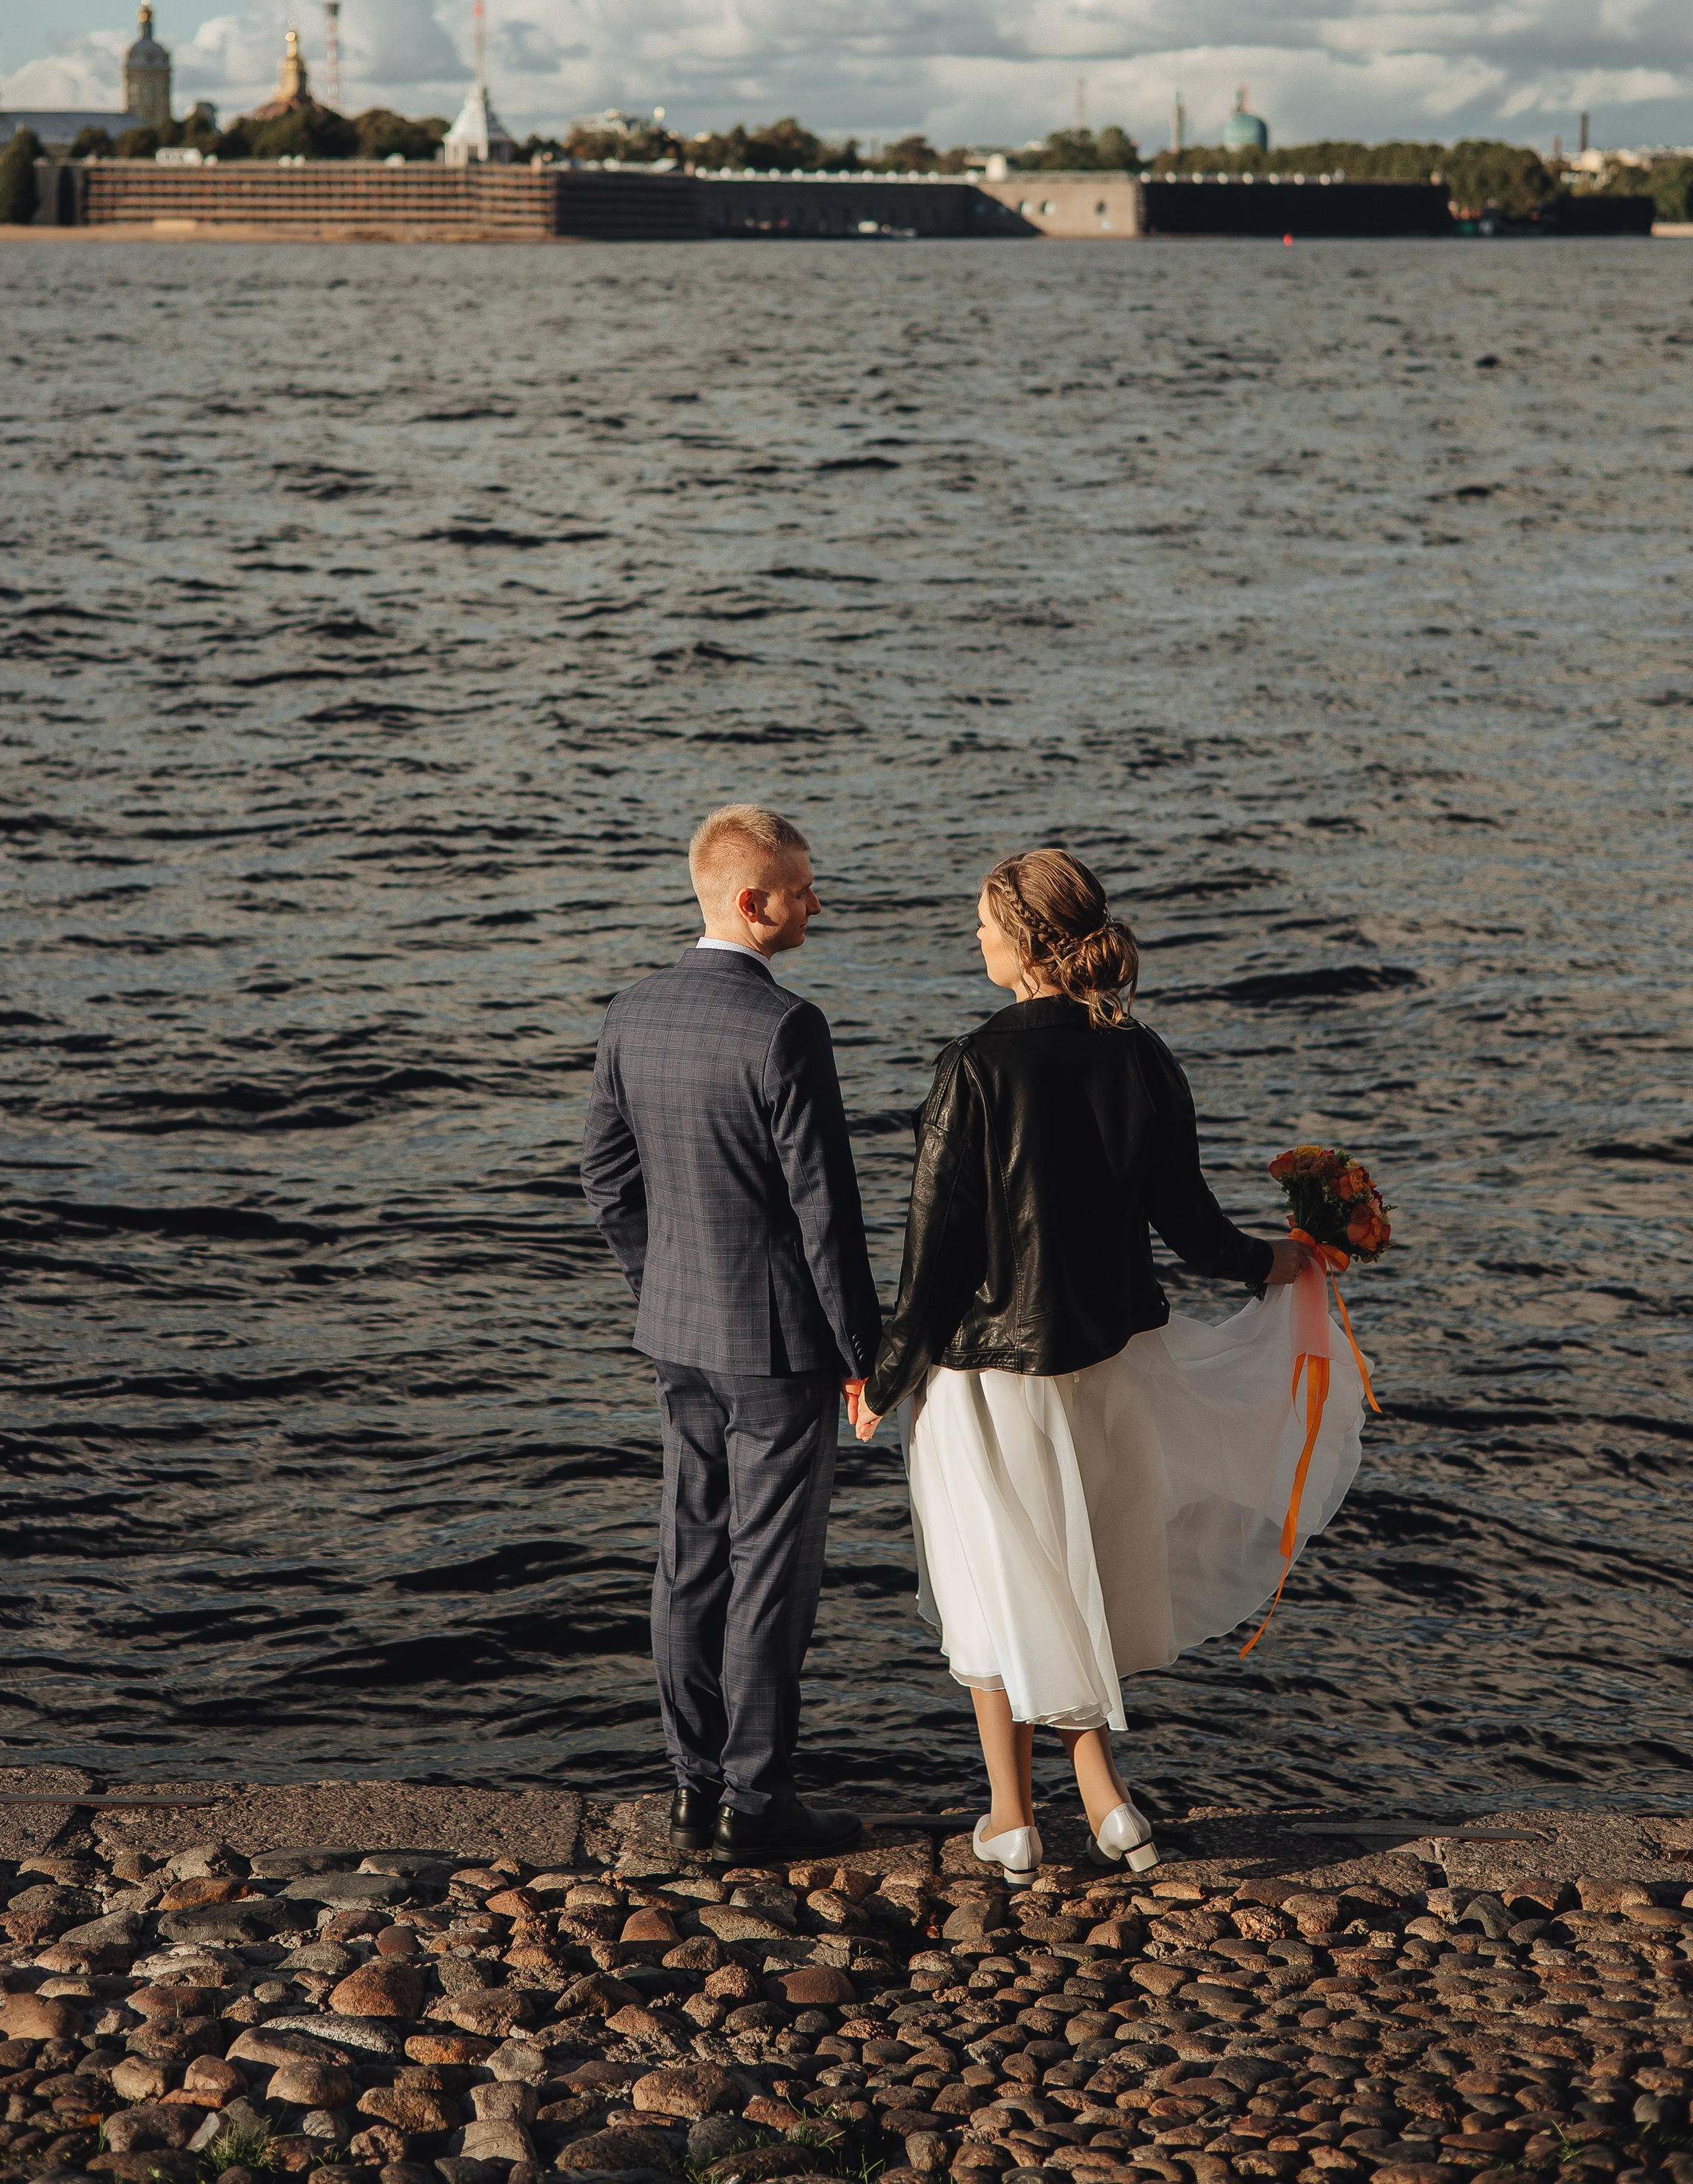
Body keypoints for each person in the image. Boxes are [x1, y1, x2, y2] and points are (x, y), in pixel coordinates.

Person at [849, 847, 1363, 1884]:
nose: (976, 938)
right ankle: (1106, 1801)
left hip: (988, 1378)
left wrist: (884, 1374)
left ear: (1030, 938)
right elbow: (1195, 1229)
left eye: (986, 923)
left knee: (993, 1588)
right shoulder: (1142, 1058)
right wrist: (1283, 1262)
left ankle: (1011, 1819)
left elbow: (935, 1257)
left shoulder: (973, 1066)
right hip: (1110, 1370)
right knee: (1065, 1586)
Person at [582, 803, 883, 1863]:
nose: (816, 902)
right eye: (802, 888)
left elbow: (606, 1180)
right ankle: (758, 1803)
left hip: (676, 1331)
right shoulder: (786, 1025)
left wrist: (657, 1280)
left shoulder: (634, 1010)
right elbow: (825, 1213)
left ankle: (689, 1786)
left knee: (687, 1557)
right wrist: (865, 1357)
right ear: (753, 905)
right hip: (778, 1348)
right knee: (770, 1572)